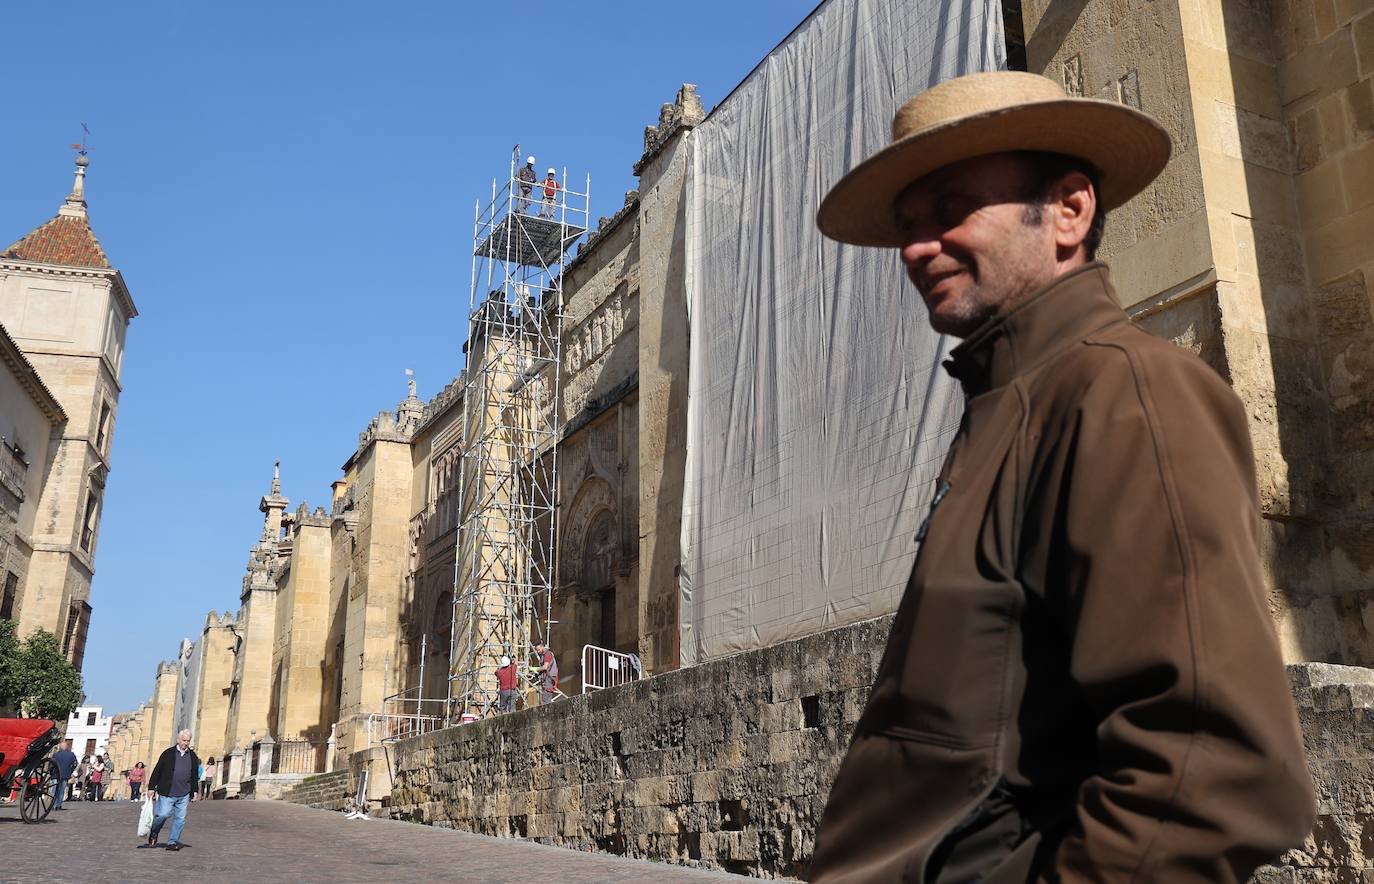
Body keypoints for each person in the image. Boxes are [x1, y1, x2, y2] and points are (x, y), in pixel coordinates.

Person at [807, 70, 1316, 883]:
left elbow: (1211, 776)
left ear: (1070, 211)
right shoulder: (1012, 400)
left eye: (950, 210)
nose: (914, 249)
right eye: (907, 226)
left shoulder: (1125, 394)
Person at [144, 730, 201, 851]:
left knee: (180, 819)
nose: (185, 743)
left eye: (188, 741)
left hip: (184, 792)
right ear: (178, 740)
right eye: (184, 740)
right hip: (167, 791)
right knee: (162, 815)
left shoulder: (192, 756)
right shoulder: (168, 753)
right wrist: (151, 787)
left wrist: (195, 790)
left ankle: (172, 841)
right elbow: (157, 770)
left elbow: (194, 774)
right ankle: (154, 832)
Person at [51, 739, 77, 811]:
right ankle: (59, 805)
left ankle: (54, 805)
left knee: (54, 790)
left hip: (55, 774)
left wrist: (51, 772)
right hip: (65, 774)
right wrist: (70, 771)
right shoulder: (71, 754)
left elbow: (51, 765)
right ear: (66, 747)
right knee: (62, 790)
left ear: (60, 747)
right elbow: (75, 764)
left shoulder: (55, 755)